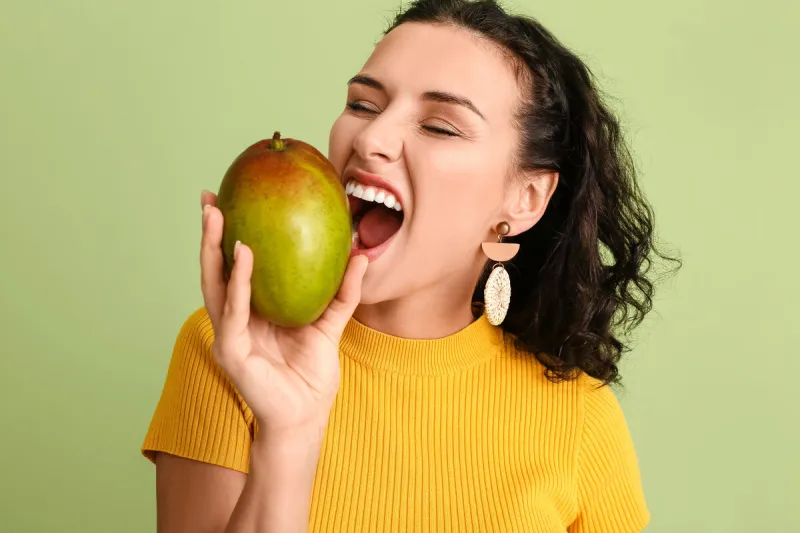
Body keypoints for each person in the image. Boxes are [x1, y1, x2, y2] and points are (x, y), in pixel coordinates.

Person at [141, 0, 678, 531]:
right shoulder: (230, 351)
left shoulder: (581, 418)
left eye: (441, 126)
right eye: (363, 105)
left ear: (525, 199)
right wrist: (288, 436)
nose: (371, 140)